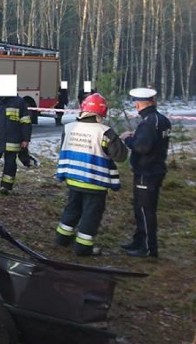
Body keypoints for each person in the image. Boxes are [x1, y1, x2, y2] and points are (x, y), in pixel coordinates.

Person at [53, 93, 129, 256]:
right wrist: (119, 141)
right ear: (103, 112)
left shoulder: (69, 127)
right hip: (95, 181)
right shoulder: (105, 132)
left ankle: (62, 239)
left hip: (73, 177)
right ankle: (83, 247)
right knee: (91, 214)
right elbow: (120, 156)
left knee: (72, 208)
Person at [119, 87, 171, 258]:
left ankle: (148, 248)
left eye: (135, 102)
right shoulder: (160, 119)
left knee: (145, 211)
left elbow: (142, 147)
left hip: (146, 172)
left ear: (139, 104)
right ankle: (139, 240)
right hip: (154, 169)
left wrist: (128, 139)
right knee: (141, 208)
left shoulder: (148, 122)